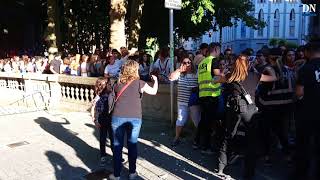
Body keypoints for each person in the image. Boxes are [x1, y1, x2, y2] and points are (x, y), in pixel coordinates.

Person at [109, 60, 158, 180]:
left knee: (117, 146)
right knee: (132, 145)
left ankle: (116, 175)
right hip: (135, 118)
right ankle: (132, 173)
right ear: (135, 70)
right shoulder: (140, 83)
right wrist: (155, 81)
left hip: (117, 117)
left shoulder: (117, 83)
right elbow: (154, 91)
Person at [215, 55, 258, 179]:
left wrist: (226, 73)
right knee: (251, 141)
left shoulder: (231, 77)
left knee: (228, 137)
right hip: (250, 110)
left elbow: (215, 80)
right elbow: (273, 77)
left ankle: (221, 167)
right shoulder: (255, 76)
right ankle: (248, 174)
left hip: (235, 109)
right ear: (248, 64)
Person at [292, 40, 320, 180]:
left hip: (308, 112)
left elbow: (299, 92)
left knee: (304, 144)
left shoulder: (306, 68)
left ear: (308, 52)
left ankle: (301, 174)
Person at [196, 42, 223, 154]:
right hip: (212, 96)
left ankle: (197, 142)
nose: (220, 53)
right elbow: (217, 77)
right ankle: (206, 147)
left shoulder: (202, 62)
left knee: (204, 121)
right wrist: (225, 76)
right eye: (219, 50)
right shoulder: (214, 60)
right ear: (216, 49)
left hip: (202, 95)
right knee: (209, 122)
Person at [169, 56, 200, 147]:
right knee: (180, 120)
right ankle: (176, 137)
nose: (186, 64)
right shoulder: (180, 74)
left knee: (197, 121)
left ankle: (197, 139)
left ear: (192, 63)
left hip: (193, 102)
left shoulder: (196, 73)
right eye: (184, 63)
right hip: (182, 101)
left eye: (188, 62)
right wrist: (179, 70)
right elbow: (170, 78)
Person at [91, 78, 113, 167]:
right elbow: (93, 107)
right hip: (103, 119)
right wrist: (94, 119)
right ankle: (103, 155)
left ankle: (112, 154)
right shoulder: (98, 96)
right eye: (107, 84)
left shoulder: (110, 94)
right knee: (104, 138)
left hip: (109, 119)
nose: (109, 85)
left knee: (111, 138)